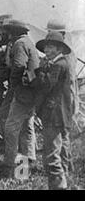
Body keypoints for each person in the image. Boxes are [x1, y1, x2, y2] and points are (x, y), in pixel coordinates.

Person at [32, 31, 74, 189]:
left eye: (50, 47)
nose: (46, 51)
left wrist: (38, 72)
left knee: (51, 155)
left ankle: (59, 185)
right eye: (46, 47)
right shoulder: (60, 63)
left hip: (53, 114)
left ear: (58, 49)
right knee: (56, 150)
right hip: (58, 114)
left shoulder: (57, 65)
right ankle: (60, 183)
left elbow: (46, 86)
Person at [1, 19, 39, 176]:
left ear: (12, 32)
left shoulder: (19, 44)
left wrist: (12, 87)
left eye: (7, 31)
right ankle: (25, 169)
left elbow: (18, 66)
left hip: (22, 93)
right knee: (26, 128)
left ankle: (10, 167)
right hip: (31, 93)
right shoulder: (29, 42)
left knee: (11, 129)